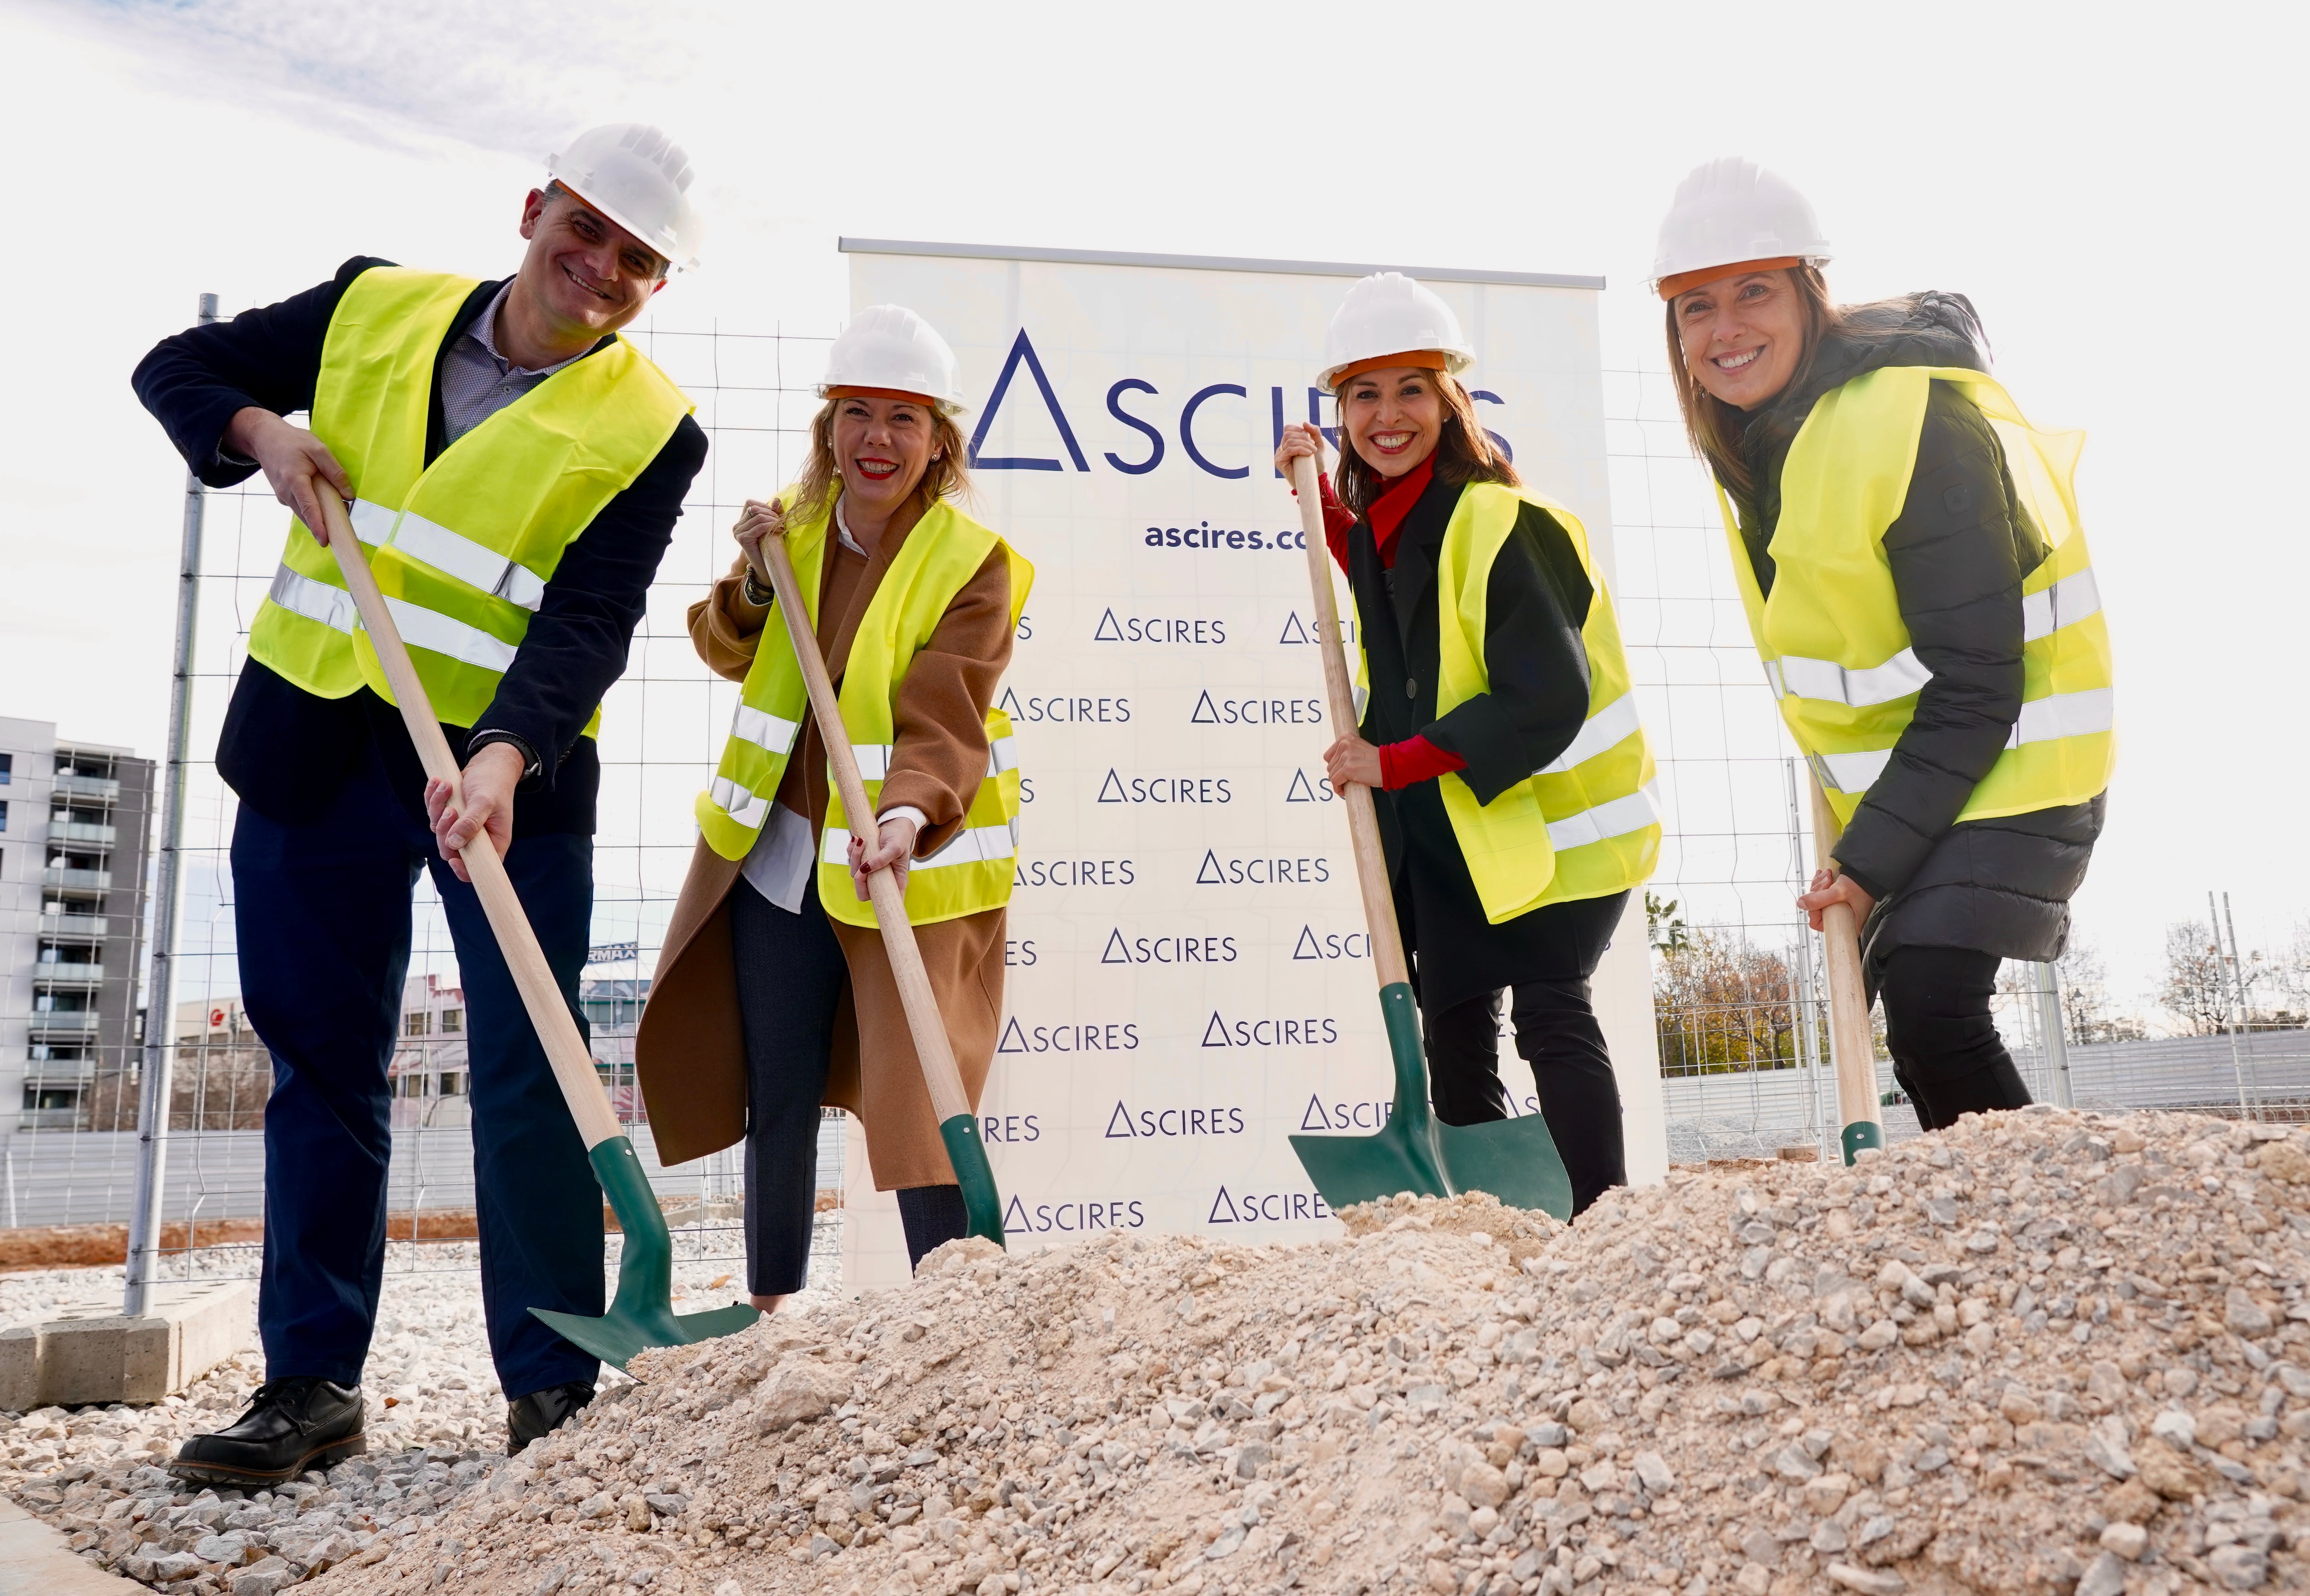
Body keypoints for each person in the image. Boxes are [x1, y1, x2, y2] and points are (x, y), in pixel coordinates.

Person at [130, 124, 710, 1479]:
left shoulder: (653, 429)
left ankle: (555, 1380)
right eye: (586, 228)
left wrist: (508, 753)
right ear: (534, 209)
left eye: (636, 258)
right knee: (321, 1066)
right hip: (313, 744)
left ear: (657, 286)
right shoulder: (370, 309)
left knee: (530, 1073)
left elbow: (591, 616)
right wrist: (264, 433)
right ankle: (311, 1382)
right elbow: (180, 366)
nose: (600, 265)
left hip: (507, 783)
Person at [1652, 158, 2113, 1130]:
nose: (1725, 329)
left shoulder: (1912, 419)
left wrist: (1863, 862)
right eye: (1696, 306)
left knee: (1933, 1004)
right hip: (1927, 782)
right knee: (1920, 1017)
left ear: (1811, 297)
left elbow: (1980, 677)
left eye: (1752, 293)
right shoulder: (1770, 443)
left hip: (2016, 760)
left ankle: (2047, 1223)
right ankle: (1998, 1233)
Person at [635, 305, 1030, 1304]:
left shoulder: (967, 561)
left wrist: (903, 814)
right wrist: (760, 588)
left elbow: (947, 711)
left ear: (938, 440)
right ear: (829, 432)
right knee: (779, 1085)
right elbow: (723, 645)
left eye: (903, 418)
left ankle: (955, 1309)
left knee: (919, 1099)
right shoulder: (792, 532)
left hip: (907, 860)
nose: (876, 439)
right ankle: (770, 1311)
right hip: (779, 859)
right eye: (856, 413)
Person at [1275, 273, 1660, 1216]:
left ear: (1451, 404)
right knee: (1451, 1033)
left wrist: (1391, 763)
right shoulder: (1395, 527)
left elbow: (1547, 695)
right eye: (1362, 394)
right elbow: (1383, 586)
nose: (1386, 414)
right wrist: (1316, 493)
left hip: (1554, 835)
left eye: (1411, 389)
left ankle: (1601, 1225)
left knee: (1548, 1008)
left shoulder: (1498, 522)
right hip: (1458, 836)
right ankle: (1498, 1229)